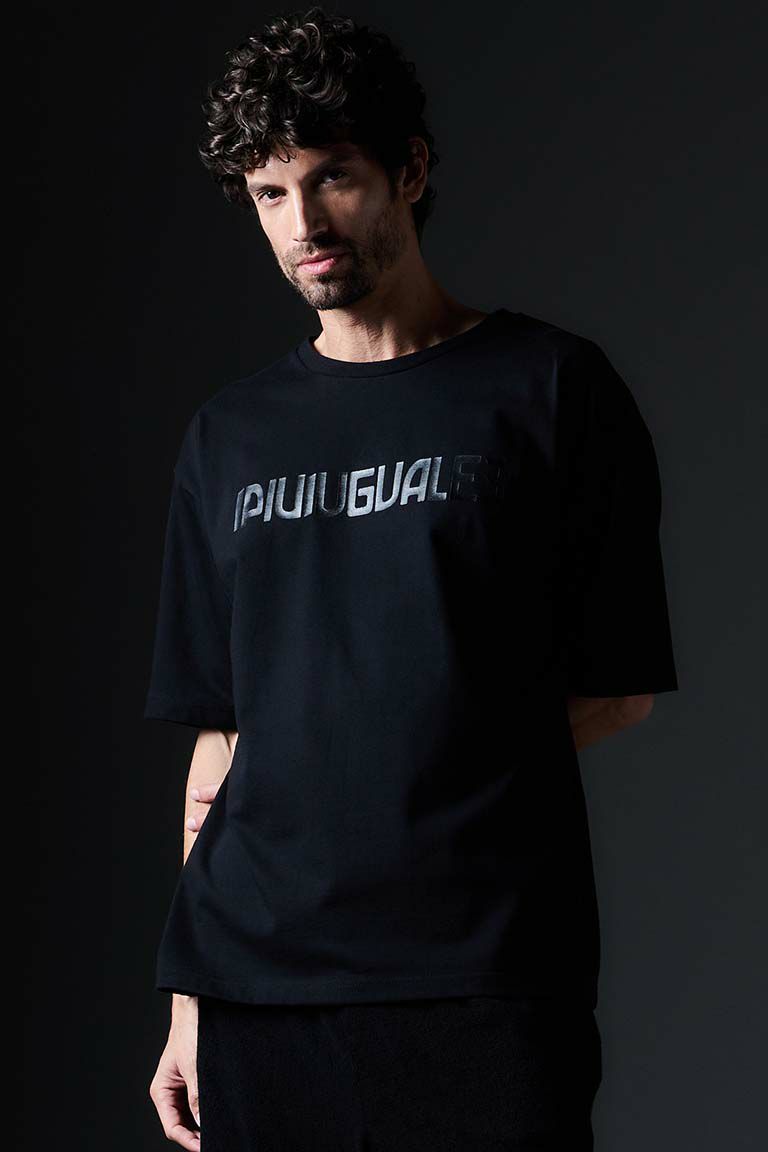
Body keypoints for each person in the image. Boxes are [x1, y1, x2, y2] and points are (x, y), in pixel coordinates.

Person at [143, 7, 679, 1150]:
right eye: (270, 194)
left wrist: (422, 768)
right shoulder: (229, 437)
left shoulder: (550, 391)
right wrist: (191, 998)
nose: (303, 225)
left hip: (478, 979)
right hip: (259, 991)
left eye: (332, 178)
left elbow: (620, 685)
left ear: (411, 171)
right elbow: (220, 739)